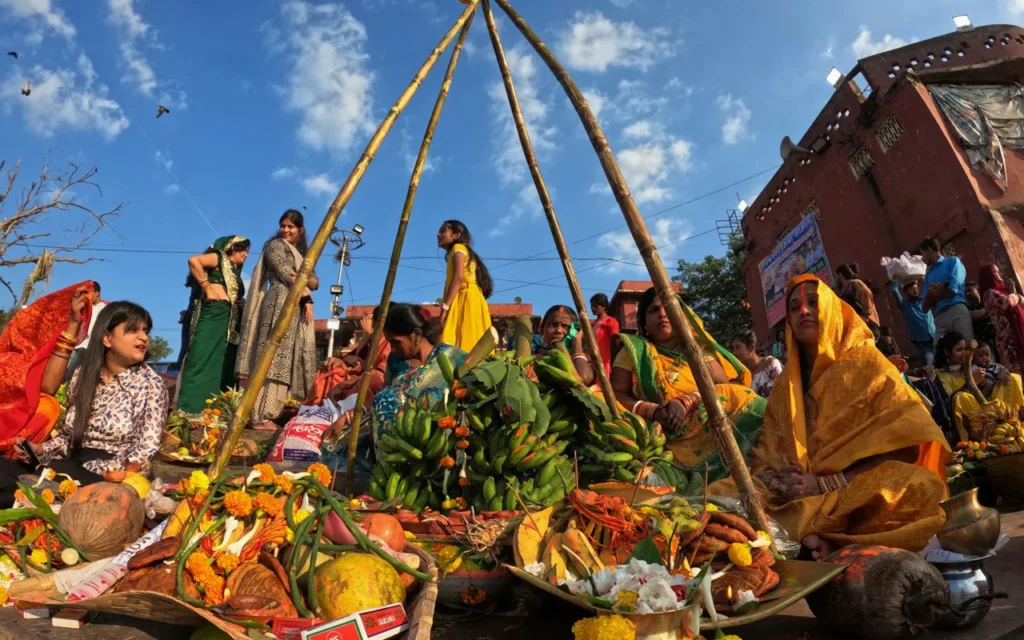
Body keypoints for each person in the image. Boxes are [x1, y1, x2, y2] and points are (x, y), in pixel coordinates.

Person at [753, 275, 949, 559]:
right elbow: (768, 452)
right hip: (796, 494)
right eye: (794, 308)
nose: (803, 311)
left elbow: (908, 448)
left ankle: (818, 535)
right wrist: (782, 481)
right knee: (731, 492)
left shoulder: (867, 362)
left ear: (832, 309)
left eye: (813, 303)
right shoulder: (785, 386)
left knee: (921, 486)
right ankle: (819, 534)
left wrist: (824, 483)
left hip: (853, 489)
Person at [0, 301, 169, 507]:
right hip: (68, 464)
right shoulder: (83, 376)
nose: (143, 337)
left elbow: (144, 452)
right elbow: (68, 438)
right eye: (133, 330)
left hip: (106, 478)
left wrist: (99, 470)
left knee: (26, 488)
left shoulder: (151, 385)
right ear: (107, 338)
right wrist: (41, 450)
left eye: (145, 331)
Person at [611, 288, 765, 486]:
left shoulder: (696, 348)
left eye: (668, 308)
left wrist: (686, 402)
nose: (662, 315)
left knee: (739, 394)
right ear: (644, 322)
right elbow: (615, 394)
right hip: (661, 435)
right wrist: (653, 411)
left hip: (709, 426)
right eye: (654, 310)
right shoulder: (634, 351)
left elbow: (723, 387)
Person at [325, 304, 467, 454]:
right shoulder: (395, 360)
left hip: (442, 437)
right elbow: (382, 398)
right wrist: (347, 417)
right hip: (394, 440)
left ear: (416, 334)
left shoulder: (451, 356)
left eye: (396, 342)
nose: (392, 348)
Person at [236, 210, 319, 428]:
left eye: (291, 227)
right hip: (279, 302)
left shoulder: (302, 254)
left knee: (285, 362)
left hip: (294, 307)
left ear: (300, 230)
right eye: (283, 225)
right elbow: (286, 273)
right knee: (271, 358)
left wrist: (305, 285)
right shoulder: (274, 246)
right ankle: (259, 415)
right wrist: (306, 297)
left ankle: (270, 413)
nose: (285, 230)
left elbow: (315, 281)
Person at [0, 283, 98, 454]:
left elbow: (49, 387)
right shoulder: (9, 360)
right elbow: (49, 387)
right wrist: (72, 326)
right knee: (48, 407)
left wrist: (73, 325)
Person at [176, 236, 250, 416]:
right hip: (213, 314)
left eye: (247, 251)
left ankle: (217, 413)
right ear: (232, 248)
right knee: (204, 355)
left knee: (222, 362)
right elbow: (194, 260)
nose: (246, 255)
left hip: (229, 322)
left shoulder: (234, 271)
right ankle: (192, 411)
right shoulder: (219, 257)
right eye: (242, 250)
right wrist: (207, 287)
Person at [933, 331, 1024, 444]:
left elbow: (993, 368)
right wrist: (970, 384)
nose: (964, 353)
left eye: (965, 349)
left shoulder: (974, 366)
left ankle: (1010, 423)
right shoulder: (942, 375)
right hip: (973, 414)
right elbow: (950, 401)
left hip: (991, 407)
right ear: (947, 352)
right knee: (960, 397)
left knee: (1012, 378)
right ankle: (986, 435)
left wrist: (1002, 370)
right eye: (959, 350)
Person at [437, 220, 493, 351]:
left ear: (457, 235)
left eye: (443, 231)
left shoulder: (458, 248)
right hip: (470, 298)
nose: (438, 235)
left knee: (463, 341)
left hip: (465, 298)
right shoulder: (461, 250)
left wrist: (444, 309)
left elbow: (458, 278)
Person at [920, 237, 973, 344]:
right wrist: (930, 298)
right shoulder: (928, 276)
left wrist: (932, 298)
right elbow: (924, 308)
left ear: (929, 250)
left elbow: (953, 289)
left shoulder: (953, 262)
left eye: (923, 254)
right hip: (939, 318)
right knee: (939, 352)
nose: (922, 258)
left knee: (968, 347)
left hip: (956, 311)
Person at [979, 264, 1024, 375]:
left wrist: (1015, 295)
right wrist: (1015, 294)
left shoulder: (1003, 292)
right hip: (1007, 339)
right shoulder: (989, 294)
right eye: (995, 272)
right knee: (1017, 372)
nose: (1000, 274)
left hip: (1018, 334)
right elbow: (1007, 302)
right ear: (989, 276)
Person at [533, 305, 594, 386]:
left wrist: (577, 341)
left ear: (575, 330)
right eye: (553, 325)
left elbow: (584, 379)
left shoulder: (586, 359)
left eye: (565, 326)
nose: (558, 330)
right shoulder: (535, 361)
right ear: (542, 330)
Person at [65, 282, 107, 381]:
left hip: (87, 348)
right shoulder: (84, 308)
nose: (85, 296)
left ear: (97, 294)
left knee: (69, 376)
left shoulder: (104, 310)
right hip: (74, 346)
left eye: (88, 293)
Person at [890, 277, 935, 366]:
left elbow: (929, 287)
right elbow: (894, 290)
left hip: (934, 335)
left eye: (916, 288)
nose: (915, 291)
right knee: (929, 360)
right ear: (906, 292)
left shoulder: (924, 301)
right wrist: (897, 279)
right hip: (921, 340)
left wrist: (922, 279)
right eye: (912, 289)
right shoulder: (905, 305)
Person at [730, 330, 783, 398]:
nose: (734, 353)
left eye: (738, 347)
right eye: (733, 349)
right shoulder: (740, 375)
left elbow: (779, 394)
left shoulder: (770, 364)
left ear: (751, 348)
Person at [835, 263, 879, 328]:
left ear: (840, 275)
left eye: (836, 276)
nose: (836, 279)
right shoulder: (846, 290)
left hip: (870, 325)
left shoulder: (856, 284)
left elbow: (867, 299)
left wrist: (864, 317)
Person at [966, 281, 997, 360]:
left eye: (970, 290)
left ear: (977, 289)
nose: (967, 294)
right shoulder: (967, 308)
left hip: (995, 339)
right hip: (983, 343)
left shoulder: (985, 302)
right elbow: (971, 316)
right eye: (966, 292)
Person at [589, 293, 619, 375]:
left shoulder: (610, 321)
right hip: (592, 361)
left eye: (596, 306)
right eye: (591, 306)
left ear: (604, 306)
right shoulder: (593, 324)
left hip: (605, 362)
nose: (593, 308)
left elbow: (616, 342)